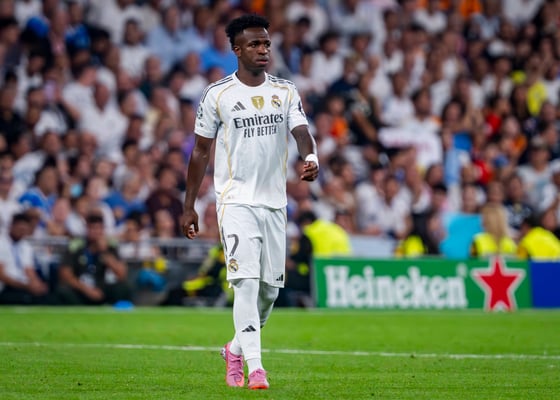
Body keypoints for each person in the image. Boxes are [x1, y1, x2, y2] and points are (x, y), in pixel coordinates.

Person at [180, 15, 319, 390]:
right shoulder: (218, 94)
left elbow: (301, 132)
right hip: (235, 201)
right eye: (255, 44)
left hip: (274, 204)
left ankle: (235, 349)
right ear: (237, 50)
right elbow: (200, 152)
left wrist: (311, 157)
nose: (263, 50)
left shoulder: (285, 90)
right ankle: (256, 369)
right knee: (246, 283)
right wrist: (189, 205)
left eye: (267, 44)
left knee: (269, 292)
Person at [57, 212, 132, 305]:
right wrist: (87, 290)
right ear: (87, 229)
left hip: (100, 287)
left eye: (99, 228)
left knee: (123, 288)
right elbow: (65, 275)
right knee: (63, 291)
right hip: (80, 288)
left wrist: (104, 252)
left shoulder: (110, 246)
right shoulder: (76, 245)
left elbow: (122, 274)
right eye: (93, 228)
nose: (96, 232)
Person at [0, 212, 51, 304]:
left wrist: (37, 284)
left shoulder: (26, 246)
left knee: (46, 296)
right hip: (6, 286)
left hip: (23, 284)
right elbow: (2, 275)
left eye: (25, 230)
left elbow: (29, 270)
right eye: (20, 229)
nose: (22, 233)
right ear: (11, 227)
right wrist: (25, 286)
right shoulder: (2, 244)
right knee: (23, 297)